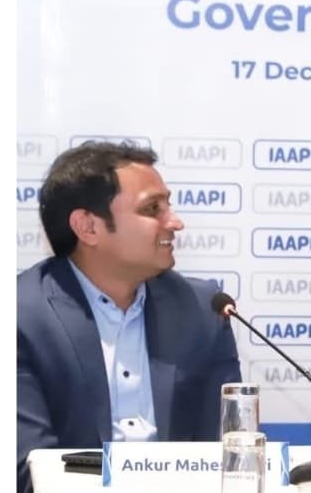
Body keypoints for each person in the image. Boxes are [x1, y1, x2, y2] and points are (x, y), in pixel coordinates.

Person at [17, 142, 241, 492]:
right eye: (152, 209)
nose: (175, 222)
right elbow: (29, 470)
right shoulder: (20, 315)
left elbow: (230, 456)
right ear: (88, 227)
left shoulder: (203, 309)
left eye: (168, 206)